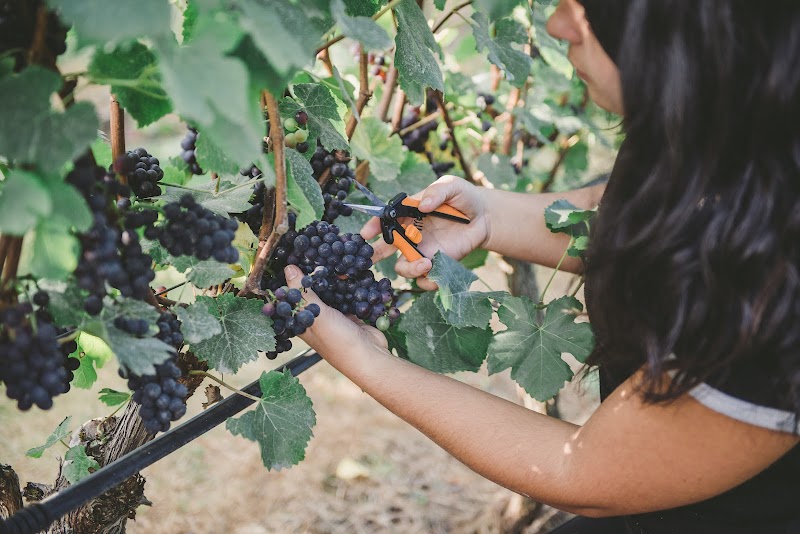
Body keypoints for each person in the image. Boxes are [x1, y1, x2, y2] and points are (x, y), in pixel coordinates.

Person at [280, 1, 800, 532]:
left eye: (595, 10)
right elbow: (654, 219)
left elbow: (588, 472)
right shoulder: (734, 127)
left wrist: (372, 364)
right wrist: (489, 216)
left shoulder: (783, 290)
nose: (556, 25)